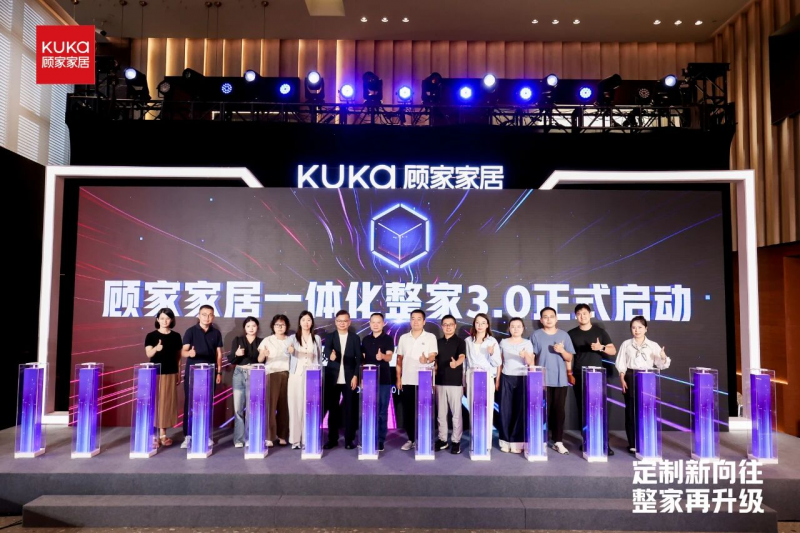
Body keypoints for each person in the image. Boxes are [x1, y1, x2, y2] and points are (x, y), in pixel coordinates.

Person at [616, 315, 671, 455]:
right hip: (630, 376)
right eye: (634, 327)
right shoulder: (626, 344)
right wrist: (622, 378)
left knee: (646, 410)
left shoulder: (653, 345)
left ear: (646, 328)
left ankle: (646, 440)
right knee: (630, 411)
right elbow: (621, 363)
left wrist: (663, 357)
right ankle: (632, 443)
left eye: (640, 327)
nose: (637, 330)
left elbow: (661, 365)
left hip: (647, 378)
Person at [567, 303, 617, 456]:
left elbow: (613, 350)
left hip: (598, 376)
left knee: (600, 409)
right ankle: (587, 441)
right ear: (576, 316)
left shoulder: (600, 332)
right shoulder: (571, 333)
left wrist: (601, 347)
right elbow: (569, 356)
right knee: (583, 409)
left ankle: (604, 443)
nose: (582, 316)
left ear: (590, 314)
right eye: (579, 314)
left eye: (585, 313)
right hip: (579, 374)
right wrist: (569, 373)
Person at [530, 306, 575, 455]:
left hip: (560, 380)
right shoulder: (536, 335)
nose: (548, 319)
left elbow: (569, 357)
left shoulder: (564, 335)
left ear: (556, 319)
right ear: (541, 320)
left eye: (551, 316)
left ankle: (558, 441)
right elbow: (532, 357)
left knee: (559, 411)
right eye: (545, 317)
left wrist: (562, 351)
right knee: (541, 411)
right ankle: (540, 440)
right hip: (541, 380)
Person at [180, 304, 223, 449]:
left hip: (210, 371)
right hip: (193, 372)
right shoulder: (191, 331)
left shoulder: (216, 333)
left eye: (210, 315)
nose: (207, 317)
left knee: (207, 403)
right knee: (190, 403)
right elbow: (183, 351)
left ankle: (206, 434)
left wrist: (219, 372)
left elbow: (219, 354)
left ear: (213, 317)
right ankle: (188, 436)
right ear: (199, 316)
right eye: (204, 314)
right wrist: (189, 353)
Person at [395, 309, 438, 451]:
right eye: (413, 318)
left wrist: (427, 360)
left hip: (424, 381)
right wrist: (398, 378)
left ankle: (423, 439)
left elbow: (433, 355)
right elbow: (399, 359)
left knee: (424, 412)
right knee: (408, 412)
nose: (416, 321)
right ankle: (411, 439)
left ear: (424, 322)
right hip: (407, 379)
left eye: (419, 319)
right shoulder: (403, 338)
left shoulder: (430, 337)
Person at [321, 310, 362, 449]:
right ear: (336, 322)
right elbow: (327, 350)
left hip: (350, 378)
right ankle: (332, 439)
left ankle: (349, 440)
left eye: (345, 321)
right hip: (333, 378)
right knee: (333, 410)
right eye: (339, 321)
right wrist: (330, 355)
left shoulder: (355, 338)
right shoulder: (330, 336)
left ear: (349, 322)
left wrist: (356, 375)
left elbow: (358, 359)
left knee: (350, 409)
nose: (342, 323)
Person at [144, 308, 182, 447]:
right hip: (155, 373)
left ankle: (163, 435)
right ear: (157, 319)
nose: (165, 321)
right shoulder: (151, 336)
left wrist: (179, 373)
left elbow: (178, 357)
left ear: (171, 320)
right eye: (162, 318)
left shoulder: (176, 336)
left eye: (167, 318)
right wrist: (156, 349)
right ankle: (153, 436)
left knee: (166, 404)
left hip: (170, 373)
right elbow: (148, 354)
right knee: (155, 404)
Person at [464, 312, 501, 451]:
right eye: (477, 322)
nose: (480, 325)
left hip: (486, 377)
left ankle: (486, 443)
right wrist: (464, 380)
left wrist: (491, 353)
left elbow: (497, 362)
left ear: (487, 325)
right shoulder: (468, 341)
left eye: (483, 323)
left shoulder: (492, 341)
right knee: (473, 409)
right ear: (474, 324)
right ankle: (475, 441)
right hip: (472, 376)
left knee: (487, 409)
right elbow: (465, 362)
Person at [497, 317, 535, 453]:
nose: (515, 329)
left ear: (523, 328)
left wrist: (525, 355)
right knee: (505, 410)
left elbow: (531, 363)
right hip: (506, 377)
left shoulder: (527, 343)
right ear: (509, 328)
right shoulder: (503, 342)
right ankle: (505, 441)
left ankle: (517, 442)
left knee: (520, 410)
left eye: (518, 326)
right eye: (513, 326)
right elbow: (499, 363)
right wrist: (498, 380)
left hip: (522, 378)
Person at [360, 312, 395, 452]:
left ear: (383, 323)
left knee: (381, 411)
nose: (375, 325)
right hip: (368, 379)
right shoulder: (365, 339)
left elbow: (389, 357)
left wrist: (382, 356)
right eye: (373, 322)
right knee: (367, 410)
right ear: (369, 324)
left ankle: (380, 440)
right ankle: (367, 437)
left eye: (378, 322)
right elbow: (362, 360)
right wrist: (361, 377)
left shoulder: (388, 339)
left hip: (383, 380)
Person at [287, 311, 321, 450]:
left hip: (312, 375)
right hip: (296, 375)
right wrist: (297, 352)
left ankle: (308, 439)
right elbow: (287, 351)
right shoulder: (293, 338)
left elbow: (318, 358)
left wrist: (319, 376)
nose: (306, 323)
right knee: (295, 406)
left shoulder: (316, 338)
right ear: (299, 322)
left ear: (312, 322)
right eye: (303, 320)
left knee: (310, 407)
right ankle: (295, 440)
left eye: (308, 320)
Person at [228, 316, 263, 448]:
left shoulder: (261, 341)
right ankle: (239, 439)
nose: (251, 328)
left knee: (252, 408)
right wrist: (236, 354)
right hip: (239, 373)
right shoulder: (238, 340)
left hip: (254, 374)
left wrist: (263, 354)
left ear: (257, 327)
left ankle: (251, 437)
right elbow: (231, 360)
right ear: (244, 328)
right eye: (248, 326)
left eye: (253, 326)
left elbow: (262, 361)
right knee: (238, 408)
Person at [257, 314, 291, 447]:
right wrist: (263, 354)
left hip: (288, 374)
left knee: (284, 406)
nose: (280, 327)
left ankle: (282, 435)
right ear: (273, 326)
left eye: (282, 325)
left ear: (286, 326)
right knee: (271, 406)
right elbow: (260, 359)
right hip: (272, 374)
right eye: (277, 325)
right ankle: (269, 436)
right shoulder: (267, 340)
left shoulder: (291, 340)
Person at [434, 314, 466, 454]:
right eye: (445, 324)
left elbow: (462, 356)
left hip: (455, 382)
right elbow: (435, 361)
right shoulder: (437, 342)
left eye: (450, 324)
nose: (448, 327)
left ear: (455, 326)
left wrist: (456, 363)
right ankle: (443, 440)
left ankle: (456, 441)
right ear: (442, 326)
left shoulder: (460, 342)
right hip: (440, 382)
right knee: (441, 414)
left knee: (456, 414)